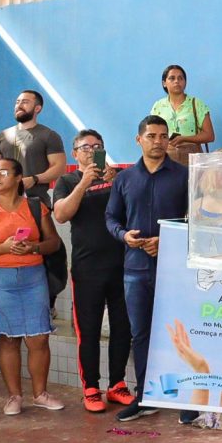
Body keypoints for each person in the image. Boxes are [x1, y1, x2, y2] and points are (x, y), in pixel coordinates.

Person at [0, 158, 65, 415]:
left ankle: (40, 393)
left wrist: (34, 247)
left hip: (33, 279)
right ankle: (14, 396)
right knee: (8, 340)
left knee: (39, 338)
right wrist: (3, 248)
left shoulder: (34, 206)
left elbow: (53, 242)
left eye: (2, 172)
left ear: (19, 177)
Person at [106, 115, 188, 422]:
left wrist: (167, 240)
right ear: (139, 139)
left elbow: (195, 219)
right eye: (152, 135)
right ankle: (145, 397)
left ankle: (188, 400)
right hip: (136, 269)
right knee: (141, 334)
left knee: (181, 333)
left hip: (174, 270)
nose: (158, 141)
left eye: (163, 136)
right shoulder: (124, 179)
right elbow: (111, 219)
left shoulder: (183, 176)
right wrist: (124, 235)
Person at [52, 129, 135, 413]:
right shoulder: (67, 180)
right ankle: (90, 388)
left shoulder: (119, 177)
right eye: (85, 147)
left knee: (123, 328)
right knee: (87, 331)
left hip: (122, 265)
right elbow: (62, 215)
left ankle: (117, 385)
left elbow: (134, 210)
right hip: (87, 269)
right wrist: (84, 182)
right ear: (74, 154)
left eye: (97, 146)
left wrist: (119, 181)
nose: (91, 150)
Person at [0, 89, 66, 208]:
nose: (19, 105)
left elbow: (59, 168)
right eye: (17, 102)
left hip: (36, 204)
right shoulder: (2, 136)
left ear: (37, 108)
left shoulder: (49, 136)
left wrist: (34, 179)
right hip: (3, 205)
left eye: (25, 102)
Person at [149, 64, 216, 165]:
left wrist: (184, 138)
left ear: (185, 82)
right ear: (164, 83)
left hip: (191, 158)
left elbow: (210, 136)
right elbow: (152, 134)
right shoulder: (158, 106)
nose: (177, 81)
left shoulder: (197, 104)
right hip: (165, 157)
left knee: (190, 181)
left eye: (180, 78)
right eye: (172, 78)